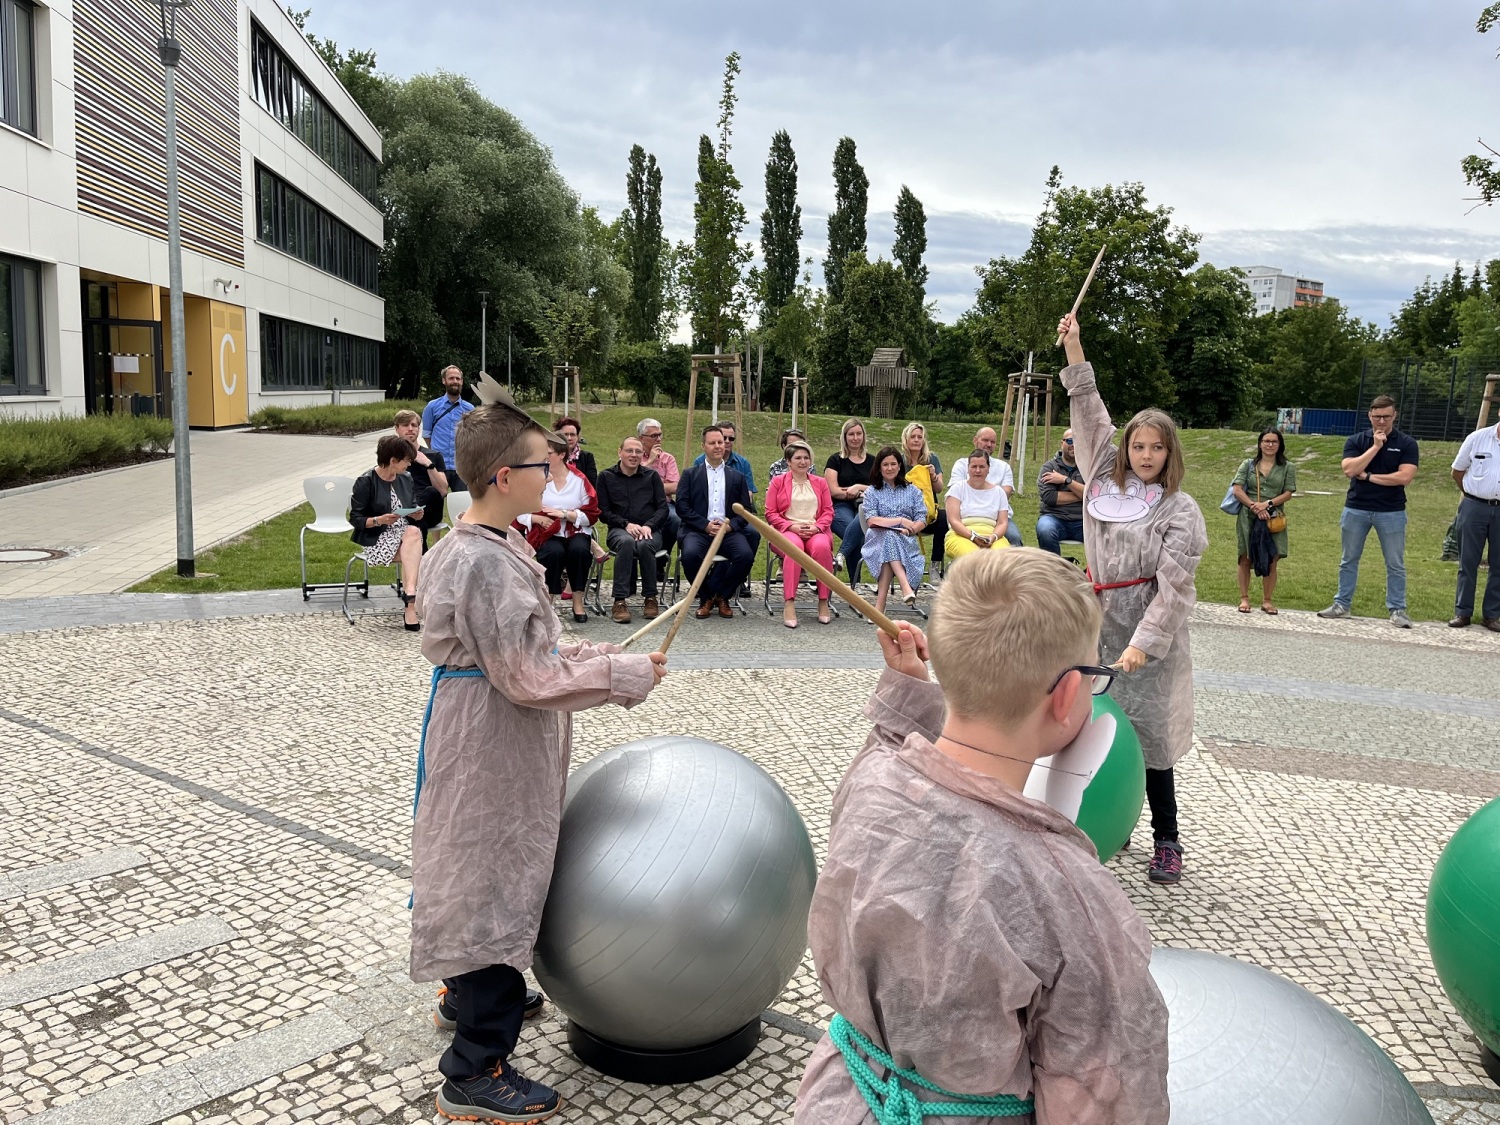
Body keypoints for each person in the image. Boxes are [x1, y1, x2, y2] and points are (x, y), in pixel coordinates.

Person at [795, 552, 1170, 1125]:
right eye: (1095, 676)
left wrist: (910, 687)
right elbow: (1105, 1092)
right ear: (1068, 695)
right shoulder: (1068, 889)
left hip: (839, 1101)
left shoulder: (870, 781)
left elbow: (899, 753)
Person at [411, 401, 665, 1124]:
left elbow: (536, 648)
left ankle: (466, 991)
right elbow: (527, 675)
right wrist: (620, 680)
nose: (553, 473)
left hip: (493, 724)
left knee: (484, 863)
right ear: (502, 476)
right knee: (492, 872)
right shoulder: (485, 561)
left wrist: (604, 653)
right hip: (493, 732)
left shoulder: (491, 540)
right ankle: (474, 1067)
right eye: (540, 465)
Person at [1059, 311, 1207, 885]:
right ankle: (1102, 825)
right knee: (1087, 727)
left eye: (1156, 448)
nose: (1145, 455)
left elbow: (1174, 589)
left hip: (1148, 639)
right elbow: (1090, 409)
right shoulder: (1101, 477)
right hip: (1097, 623)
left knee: (1150, 742)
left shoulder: (1179, 511)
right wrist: (1075, 346)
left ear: (1170, 455)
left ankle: (1166, 839)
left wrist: (1145, 643)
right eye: (1137, 445)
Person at [1318, 395, 1419, 627]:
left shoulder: (1406, 443)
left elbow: (1404, 477)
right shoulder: (1356, 440)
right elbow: (1350, 470)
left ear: (1394, 416)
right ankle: (1341, 604)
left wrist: (1370, 476)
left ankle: (1397, 609)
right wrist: (1375, 447)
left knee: (1395, 562)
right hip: (1356, 508)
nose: (1381, 421)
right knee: (1348, 559)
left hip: (1391, 511)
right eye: (1377, 417)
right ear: (1369, 416)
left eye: (1386, 416)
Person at [677, 424, 757, 619]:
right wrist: (704, 525)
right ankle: (706, 598)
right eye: (712, 443)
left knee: (745, 556)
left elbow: (745, 510)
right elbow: (682, 506)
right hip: (698, 530)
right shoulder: (690, 474)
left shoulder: (737, 477)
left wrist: (730, 527)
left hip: (728, 531)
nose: (718, 446)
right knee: (690, 555)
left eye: (720, 442)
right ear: (703, 446)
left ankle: (721, 595)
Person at [349, 434, 426, 632]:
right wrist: (379, 520)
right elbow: (355, 519)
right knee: (414, 547)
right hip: (377, 537)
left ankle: (409, 596)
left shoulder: (405, 479)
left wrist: (417, 513)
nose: (409, 465)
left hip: (403, 534)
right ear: (392, 461)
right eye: (406, 461)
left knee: (413, 531)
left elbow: (411, 507)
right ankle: (411, 602)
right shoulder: (365, 481)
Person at [516, 444, 599, 625]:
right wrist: (537, 519)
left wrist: (566, 515)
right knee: (554, 553)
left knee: (579, 550)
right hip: (545, 531)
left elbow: (591, 514)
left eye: (549, 454)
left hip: (574, 529)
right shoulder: (534, 478)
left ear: (562, 455)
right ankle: (548, 602)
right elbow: (518, 509)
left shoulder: (578, 479)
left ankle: (577, 602)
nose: (544, 458)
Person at [595, 436, 668, 625]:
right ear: (619, 452)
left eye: (637, 451)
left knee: (644, 545)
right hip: (620, 529)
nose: (634, 455)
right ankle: (619, 601)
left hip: (649, 529)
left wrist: (648, 526)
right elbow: (603, 511)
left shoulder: (651, 477)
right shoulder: (606, 477)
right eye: (629, 451)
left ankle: (650, 598)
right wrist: (626, 524)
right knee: (627, 542)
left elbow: (663, 508)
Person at [764, 439, 834, 627]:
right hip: (787, 529)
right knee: (793, 548)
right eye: (798, 458)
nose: (803, 461)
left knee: (821, 547)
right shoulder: (778, 482)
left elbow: (828, 511)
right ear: (788, 461)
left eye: (806, 457)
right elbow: (770, 513)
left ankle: (823, 600)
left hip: (814, 528)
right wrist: (790, 526)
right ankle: (789, 602)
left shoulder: (820, 483)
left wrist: (817, 527)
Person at [1232, 429, 1297, 615]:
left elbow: (1288, 492)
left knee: (1272, 558)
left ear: (1280, 444)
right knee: (1245, 556)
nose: (1270, 445)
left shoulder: (1287, 467)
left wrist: (1267, 505)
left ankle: (1267, 600)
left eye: (1274, 441)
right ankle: (1244, 598)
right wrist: (1254, 506)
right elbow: (1237, 489)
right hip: (1248, 516)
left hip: (1273, 516)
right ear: (1260, 444)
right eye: (1266, 441)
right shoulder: (1248, 464)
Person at [861, 445, 928, 614]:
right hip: (877, 538)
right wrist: (899, 520)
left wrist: (911, 530)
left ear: (899, 466)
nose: (890, 468)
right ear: (879, 467)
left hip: (905, 539)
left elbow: (922, 518)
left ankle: (879, 607)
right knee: (889, 537)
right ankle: (905, 587)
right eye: (885, 464)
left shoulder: (912, 491)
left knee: (890, 546)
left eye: (893, 464)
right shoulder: (872, 492)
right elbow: (871, 520)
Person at [1449, 415, 1500, 630]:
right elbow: (1457, 472)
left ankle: (1492, 615)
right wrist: (1473, 495)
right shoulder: (1477, 438)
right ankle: (1463, 612)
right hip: (1474, 506)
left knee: (1499, 564)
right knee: (1468, 562)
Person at [825, 418, 872, 581]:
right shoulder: (835, 460)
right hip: (840, 506)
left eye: (859, 433)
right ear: (844, 437)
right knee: (853, 534)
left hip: (866, 507)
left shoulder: (873, 461)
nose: (855, 438)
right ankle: (855, 584)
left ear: (864, 436)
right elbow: (833, 490)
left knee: (856, 529)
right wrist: (852, 492)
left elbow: (880, 488)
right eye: (851, 434)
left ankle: (841, 556)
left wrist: (858, 487)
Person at [944, 449, 1012, 562]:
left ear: (988, 469)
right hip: (961, 534)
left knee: (1003, 560)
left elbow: (1002, 522)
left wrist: (993, 537)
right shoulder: (957, 489)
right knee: (977, 559)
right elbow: (954, 520)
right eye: (974, 466)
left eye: (982, 467)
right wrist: (973, 537)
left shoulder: (999, 492)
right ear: (968, 468)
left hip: (991, 535)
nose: (978, 470)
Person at [395, 409, 449, 544]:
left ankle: (414, 516)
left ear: (419, 429)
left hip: (430, 510)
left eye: (414, 425)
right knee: (418, 522)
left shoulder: (433, 456)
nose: (410, 429)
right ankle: (422, 558)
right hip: (404, 510)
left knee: (430, 492)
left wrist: (428, 464)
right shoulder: (393, 458)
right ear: (397, 429)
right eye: (405, 425)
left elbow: (442, 491)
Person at [900, 422, 948, 567]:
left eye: (919, 437)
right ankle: (904, 566)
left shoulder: (932, 459)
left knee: (945, 517)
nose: (916, 440)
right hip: (906, 513)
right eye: (912, 437)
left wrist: (933, 476)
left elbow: (939, 488)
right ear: (906, 440)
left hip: (929, 513)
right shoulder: (900, 461)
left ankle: (935, 563)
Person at [969, 426, 1025, 546]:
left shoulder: (1004, 467)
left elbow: (1005, 495)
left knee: (1014, 537)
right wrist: (994, 494)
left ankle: (1014, 565)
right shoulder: (962, 464)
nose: (989, 444)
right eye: (985, 440)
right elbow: (955, 495)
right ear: (975, 440)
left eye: (993, 442)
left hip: (1000, 518)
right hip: (970, 517)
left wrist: (974, 494)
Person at [421, 365, 474, 492]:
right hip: (439, 466)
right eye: (451, 378)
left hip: (460, 466)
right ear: (444, 381)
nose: (455, 381)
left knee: (462, 505)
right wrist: (436, 453)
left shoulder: (470, 409)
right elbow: (426, 434)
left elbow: (473, 437)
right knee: (435, 503)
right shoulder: (432, 407)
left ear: (461, 381)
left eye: (458, 378)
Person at [1036, 429, 1085, 554]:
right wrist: (1083, 493)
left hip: (1083, 520)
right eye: (1069, 440)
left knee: (1102, 533)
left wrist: (1064, 480)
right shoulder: (1049, 467)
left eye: (1077, 441)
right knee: (1045, 529)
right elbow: (1050, 498)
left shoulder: (1088, 468)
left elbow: (1096, 495)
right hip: (1054, 518)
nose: (1073, 444)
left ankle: (1091, 573)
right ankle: (1054, 571)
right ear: (1061, 443)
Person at [638, 417, 681, 554]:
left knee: (675, 520)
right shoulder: (632, 456)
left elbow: (675, 487)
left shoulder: (668, 458)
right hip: (638, 504)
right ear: (641, 438)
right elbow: (631, 483)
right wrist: (650, 461)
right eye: (654, 436)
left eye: (660, 435)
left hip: (664, 503)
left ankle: (661, 557)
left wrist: (649, 487)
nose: (658, 439)